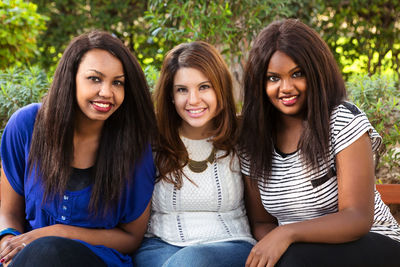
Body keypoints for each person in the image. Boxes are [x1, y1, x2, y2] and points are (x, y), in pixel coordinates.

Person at [239, 19, 400, 267]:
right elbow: (261, 222)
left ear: (316, 72)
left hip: (374, 241)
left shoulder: (342, 120)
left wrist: (287, 234)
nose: (286, 88)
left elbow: (357, 217)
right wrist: (275, 243)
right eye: (273, 78)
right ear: (260, 84)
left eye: (297, 74)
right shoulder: (253, 139)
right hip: (303, 252)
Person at [0, 30, 156, 267]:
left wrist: (60, 232)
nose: (107, 92)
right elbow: (8, 211)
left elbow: (131, 237)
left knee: (47, 250)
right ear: (70, 77)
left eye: (118, 82)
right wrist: (9, 244)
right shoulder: (26, 126)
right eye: (95, 78)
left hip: (98, 260)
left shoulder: (133, 144)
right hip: (30, 258)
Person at [133, 41, 255, 267]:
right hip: (159, 246)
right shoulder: (152, 140)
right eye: (182, 90)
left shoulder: (242, 137)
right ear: (171, 95)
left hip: (230, 244)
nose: (193, 100)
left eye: (204, 87)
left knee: (191, 261)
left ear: (220, 88)